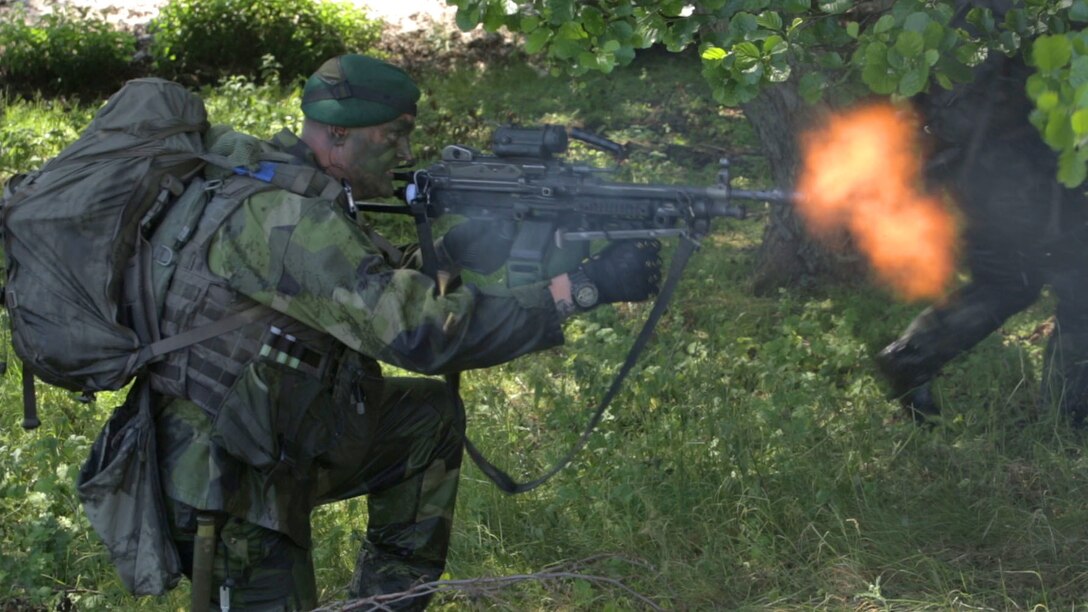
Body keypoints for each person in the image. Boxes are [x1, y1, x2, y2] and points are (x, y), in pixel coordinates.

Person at [147, 54, 662, 610]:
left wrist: (460, 249)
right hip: (223, 480)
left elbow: (357, 289)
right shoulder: (288, 218)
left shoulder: (293, 185)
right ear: (340, 133)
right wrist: (579, 289)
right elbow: (422, 336)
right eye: (395, 136)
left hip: (274, 436)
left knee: (426, 421)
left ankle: (386, 602)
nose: (407, 153)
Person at [874, 1, 1088, 426]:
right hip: (1022, 171)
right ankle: (1070, 419)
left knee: (1008, 282)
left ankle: (912, 357)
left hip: (984, 167)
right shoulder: (1033, 10)